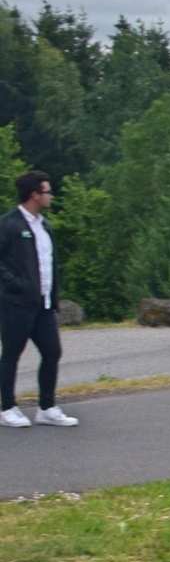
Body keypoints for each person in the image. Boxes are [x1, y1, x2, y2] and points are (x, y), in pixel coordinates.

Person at [0, 170, 75, 428]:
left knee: (52, 352)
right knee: (11, 354)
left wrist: (53, 297)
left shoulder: (45, 225)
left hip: (43, 305)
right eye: (47, 191)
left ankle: (47, 407)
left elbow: (49, 264)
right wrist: (17, 284)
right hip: (16, 303)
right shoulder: (9, 224)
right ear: (34, 194)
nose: (51, 196)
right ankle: (8, 408)